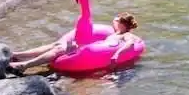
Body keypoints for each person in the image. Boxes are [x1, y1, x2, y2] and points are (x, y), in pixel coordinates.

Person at [9, 13, 140, 71]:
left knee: (59, 49)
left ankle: (25, 65)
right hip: (85, 49)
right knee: (57, 45)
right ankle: (18, 55)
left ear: (123, 24)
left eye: (119, 21)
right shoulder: (116, 31)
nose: (116, 21)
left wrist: (117, 54)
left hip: (85, 53)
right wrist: (121, 20)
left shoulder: (126, 34)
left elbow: (130, 44)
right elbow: (115, 19)